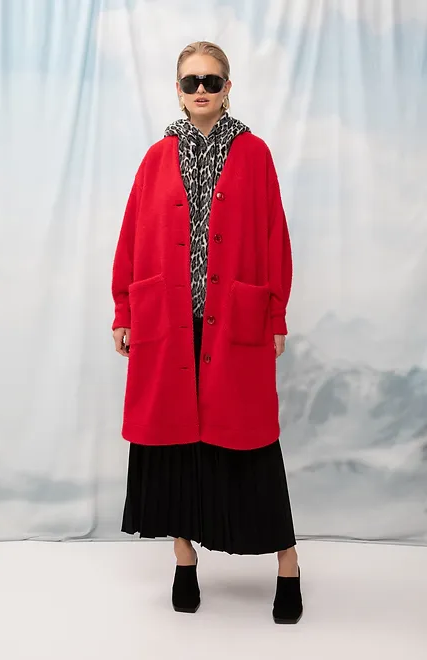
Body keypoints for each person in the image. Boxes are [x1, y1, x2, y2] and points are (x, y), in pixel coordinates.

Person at [111, 41, 303, 624]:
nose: (201, 90)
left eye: (212, 81)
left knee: (249, 443)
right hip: (168, 323)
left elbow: (274, 237)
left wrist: (275, 314)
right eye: (191, 80)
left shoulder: (254, 153)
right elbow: (131, 236)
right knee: (175, 446)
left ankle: (288, 564)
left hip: (233, 321)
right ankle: (184, 559)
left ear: (227, 88)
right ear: (177, 89)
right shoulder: (156, 157)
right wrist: (124, 309)